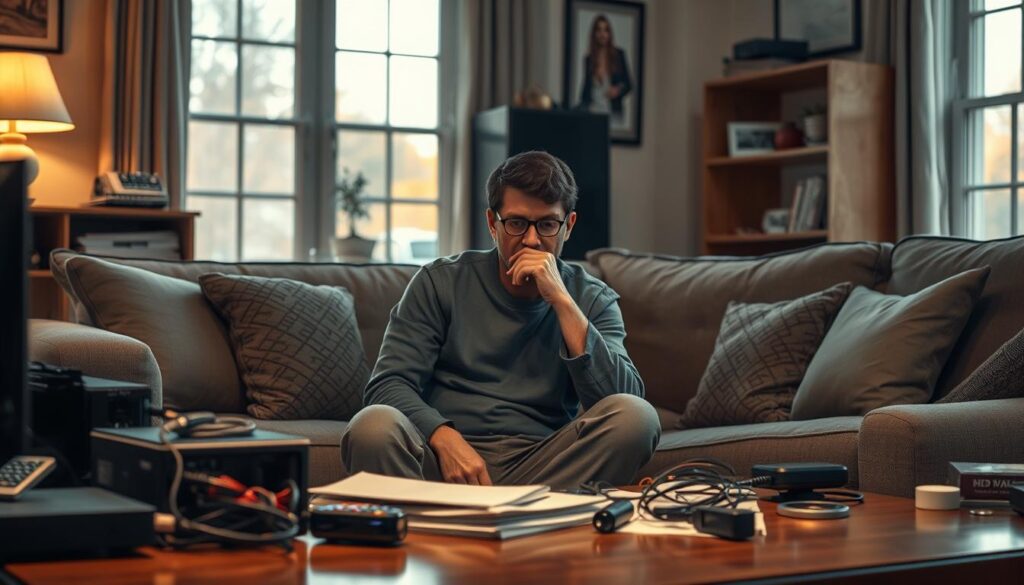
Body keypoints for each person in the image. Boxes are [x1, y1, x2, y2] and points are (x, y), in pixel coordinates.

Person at [340, 151, 660, 491]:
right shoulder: (439, 282)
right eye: (517, 223)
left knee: (636, 417)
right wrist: (443, 436)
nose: (532, 240)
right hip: (444, 464)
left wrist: (562, 301)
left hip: (546, 465)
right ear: (493, 224)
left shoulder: (592, 298)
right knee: (372, 426)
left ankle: (471, 523)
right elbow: (387, 385)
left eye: (548, 224)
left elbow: (625, 399)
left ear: (569, 225)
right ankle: (494, 522)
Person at [577, 15, 633, 122]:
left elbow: (629, 84)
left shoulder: (618, 56)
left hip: (613, 112)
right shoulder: (589, 59)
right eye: (599, 30)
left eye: (606, 30)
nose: (602, 34)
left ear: (609, 34)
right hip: (592, 112)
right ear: (594, 34)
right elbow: (585, 90)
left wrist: (617, 90)